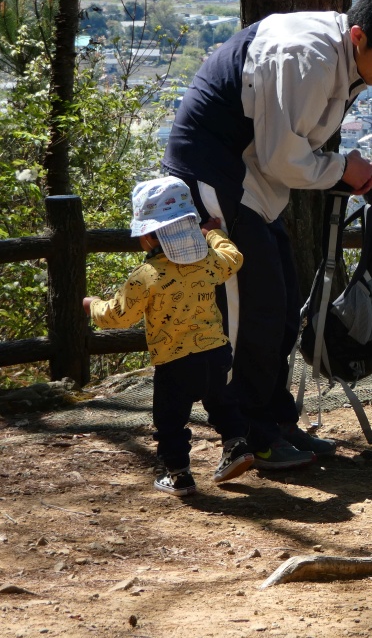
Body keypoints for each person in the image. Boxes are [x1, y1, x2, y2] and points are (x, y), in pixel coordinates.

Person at [162, 0, 372, 469]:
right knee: (254, 311)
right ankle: (247, 437)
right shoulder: (306, 56)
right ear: (358, 36)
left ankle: (277, 422)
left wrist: (337, 168)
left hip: (251, 181)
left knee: (285, 301)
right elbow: (283, 157)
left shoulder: (343, 56)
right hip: (215, 173)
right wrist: (341, 169)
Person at [84, 176, 252, 497]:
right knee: (222, 403)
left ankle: (178, 475)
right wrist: (213, 232)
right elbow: (234, 257)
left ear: (148, 236)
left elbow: (119, 316)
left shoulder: (146, 276)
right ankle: (236, 445)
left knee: (170, 421)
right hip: (216, 353)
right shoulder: (207, 261)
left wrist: (93, 306)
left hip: (174, 363)